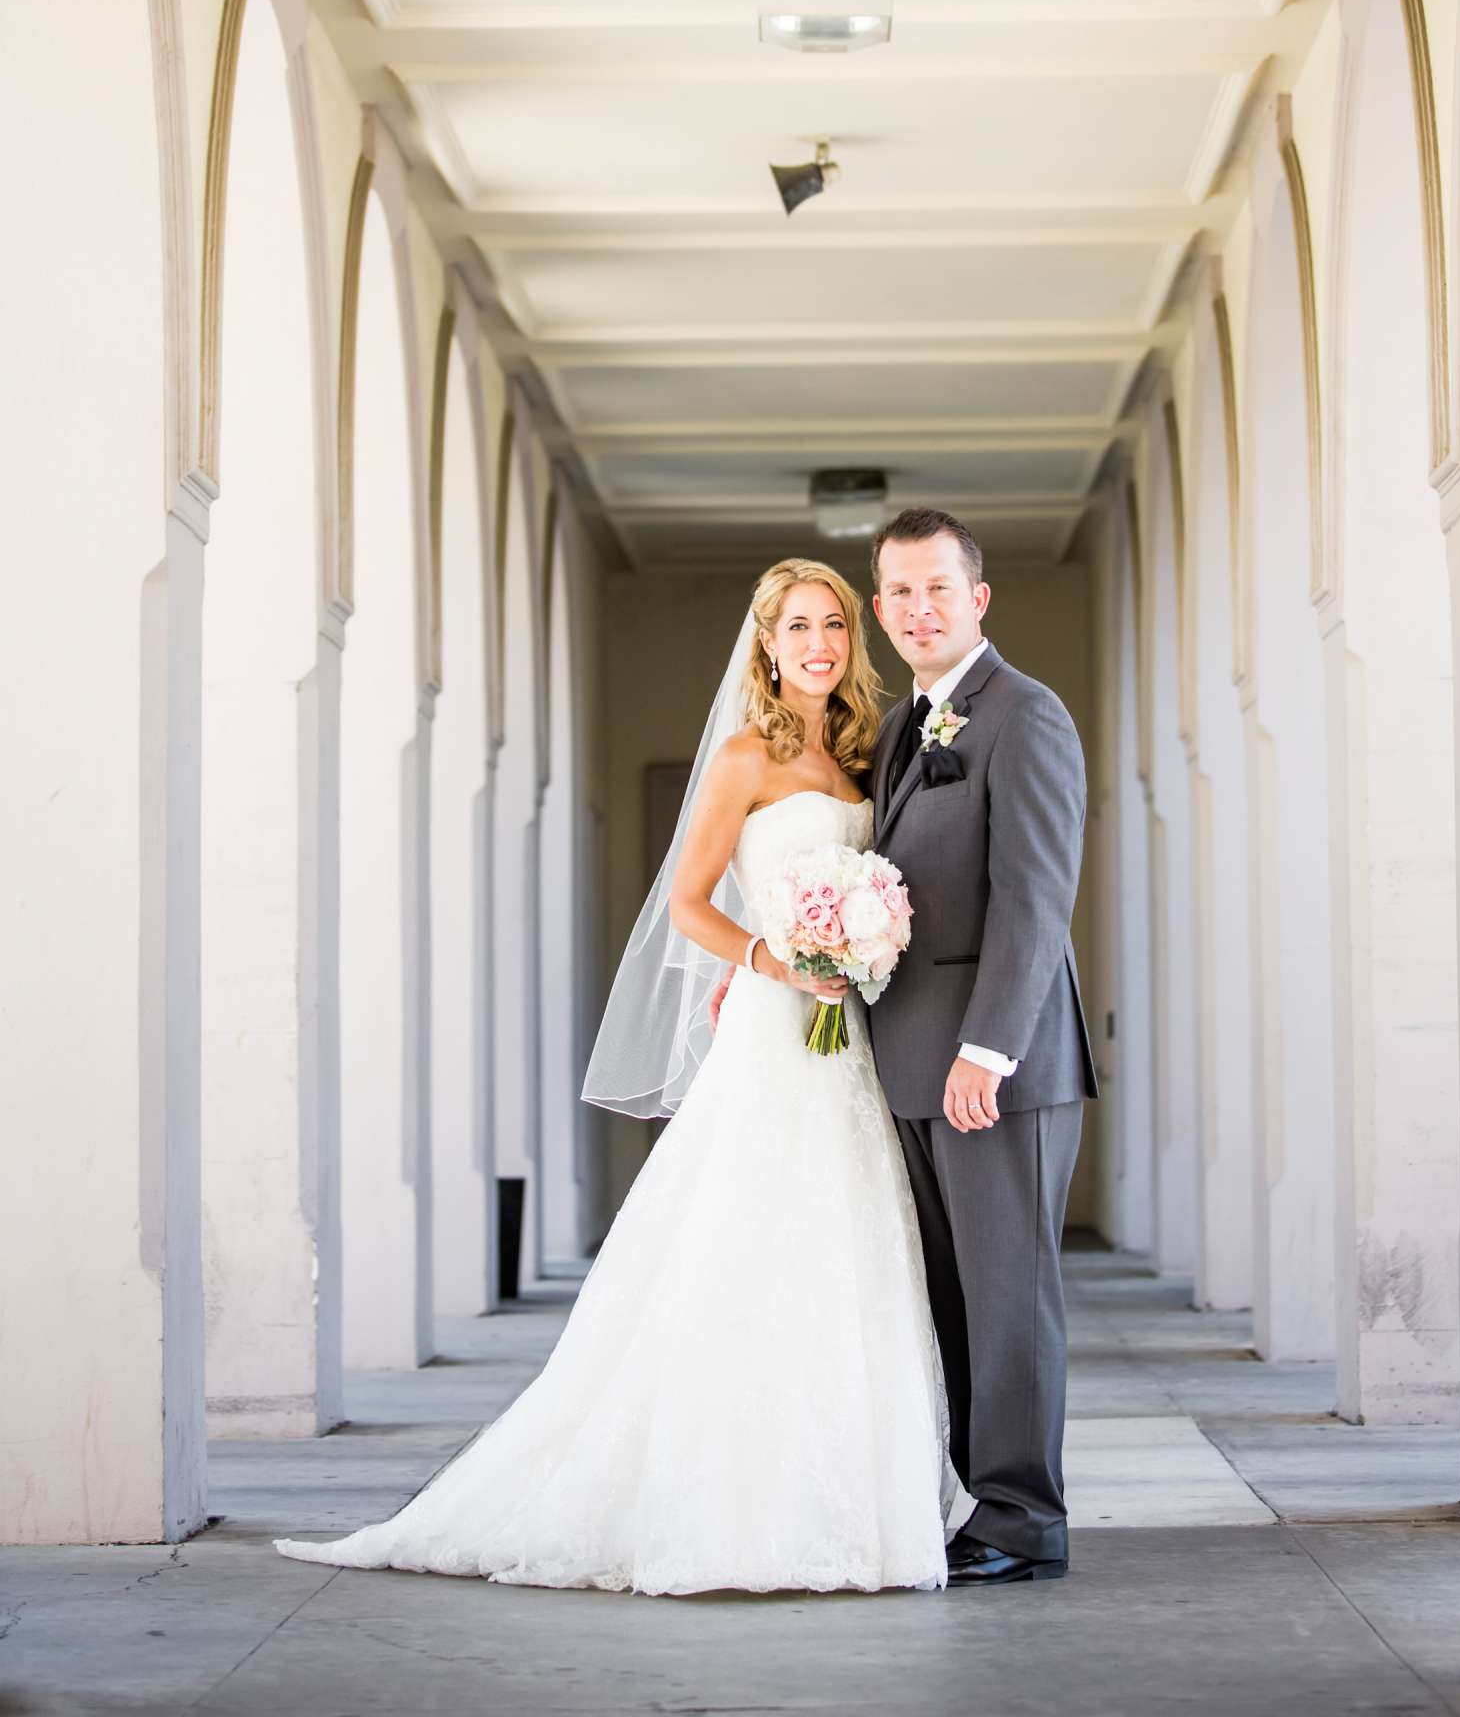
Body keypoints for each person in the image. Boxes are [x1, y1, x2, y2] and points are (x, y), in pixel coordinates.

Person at [274, 556, 959, 1595]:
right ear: (766, 647)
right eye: (796, 628)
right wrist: (777, 960)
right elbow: (689, 903)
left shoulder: (868, 755)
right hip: (776, 1025)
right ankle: (726, 1505)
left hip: (845, 1038)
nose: (818, 643)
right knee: (748, 1247)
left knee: (847, 1247)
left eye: (831, 624)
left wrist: (860, 946)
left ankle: (853, 1510)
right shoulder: (742, 757)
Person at [865, 506, 1098, 1584]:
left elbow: (1035, 900)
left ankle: (1021, 1519)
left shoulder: (1025, 716)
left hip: (993, 1071)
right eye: (899, 592)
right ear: (881, 608)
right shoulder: (905, 725)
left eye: (937, 590)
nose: (918, 609)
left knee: (1010, 1297)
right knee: (948, 1300)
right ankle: (970, 1502)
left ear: (978, 600)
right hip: (906, 1060)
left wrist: (988, 1052)